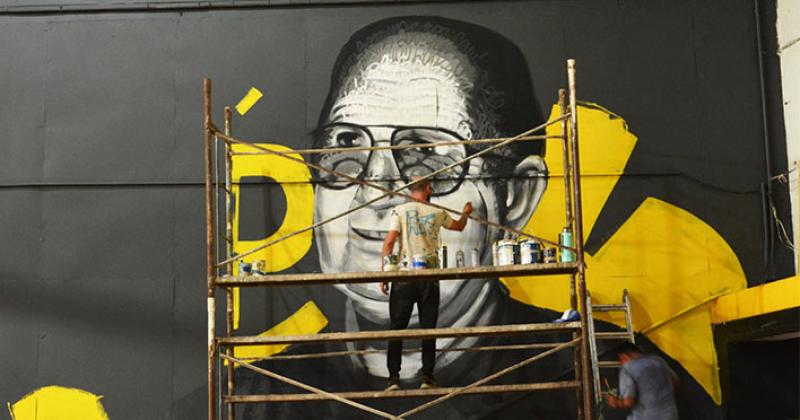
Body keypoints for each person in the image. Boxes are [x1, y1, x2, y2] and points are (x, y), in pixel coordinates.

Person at [311, 15, 549, 382]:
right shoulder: (261, 390)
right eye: (346, 144)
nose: (376, 190)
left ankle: (422, 371)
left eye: (425, 152)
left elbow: (450, 224)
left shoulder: (567, 363)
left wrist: (466, 213)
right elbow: (395, 238)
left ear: (517, 195)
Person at [379, 176, 473, 390]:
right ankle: (427, 378)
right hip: (429, 278)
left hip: (404, 276)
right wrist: (466, 213)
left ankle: (393, 378)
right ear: (428, 188)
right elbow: (458, 226)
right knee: (428, 328)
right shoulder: (438, 212)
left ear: (412, 190)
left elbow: (390, 243)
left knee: (397, 328)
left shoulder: (400, 211)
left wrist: (385, 273)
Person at [604, 342, 679, 420]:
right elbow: (675, 381)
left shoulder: (628, 368)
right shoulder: (658, 360)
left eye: (621, 361)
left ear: (624, 357)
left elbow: (628, 402)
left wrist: (616, 402)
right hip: (671, 415)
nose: (622, 363)